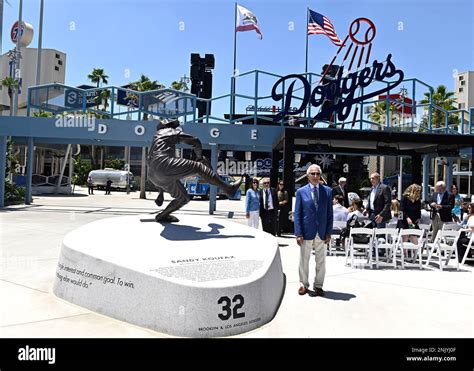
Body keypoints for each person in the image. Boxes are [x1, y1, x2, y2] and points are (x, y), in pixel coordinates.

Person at [147, 119, 242, 223]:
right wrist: (199, 157)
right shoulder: (167, 131)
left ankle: (162, 216)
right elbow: (195, 141)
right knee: (199, 167)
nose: (173, 128)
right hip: (164, 165)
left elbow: (155, 168)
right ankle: (228, 189)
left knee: (183, 198)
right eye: (171, 126)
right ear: (166, 127)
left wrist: (160, 193)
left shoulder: (155, 140)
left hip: (153, 175)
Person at [294, 164, 333, 297]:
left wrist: (328, 232)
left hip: (321, 232)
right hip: (306, 232)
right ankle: (303, 284)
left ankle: (318, 286)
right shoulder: (301, 192)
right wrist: (298, 233)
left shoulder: (327, 191)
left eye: (317, 174)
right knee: (304, 260)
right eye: (313, 174)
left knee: (321, 261)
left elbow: (329, 214)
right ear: (308, 176)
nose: (315, 176)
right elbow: (298, 214)